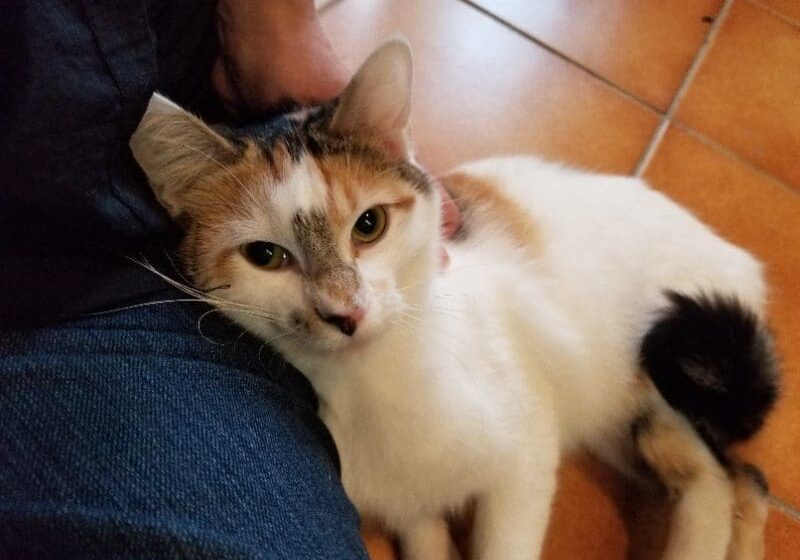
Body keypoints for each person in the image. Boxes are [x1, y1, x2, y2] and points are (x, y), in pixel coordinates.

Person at [0, 1, 457, 557]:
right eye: (267, 254)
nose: (340, 303)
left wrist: (276, 23)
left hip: (113, 238)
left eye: (368, 224)